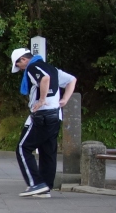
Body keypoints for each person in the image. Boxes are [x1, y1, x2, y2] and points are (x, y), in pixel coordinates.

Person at [11, 47, 77, 198]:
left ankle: (36, 183)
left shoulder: (32, 67)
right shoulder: (52, 68)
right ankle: (45, 187)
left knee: (23, 148)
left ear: (24, 59)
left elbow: (44, 79)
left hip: (42, 116)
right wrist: (64, 99)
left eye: (18, 65)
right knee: (48, 151)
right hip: (55, 115)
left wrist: (41, 100)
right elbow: (72, 80)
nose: (20, 69)